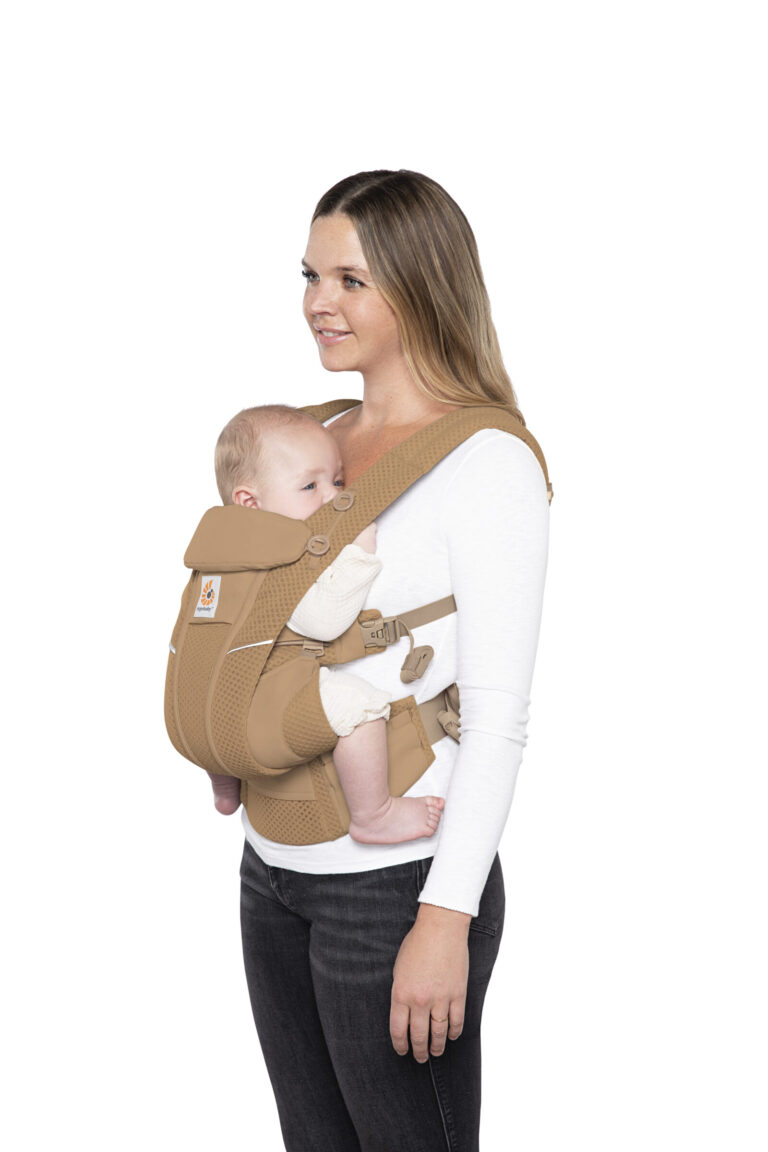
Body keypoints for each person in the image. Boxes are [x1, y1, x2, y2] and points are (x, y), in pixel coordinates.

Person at [234, 170, 550, 1151]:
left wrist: (445, 917)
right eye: (310, 275)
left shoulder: (486, 462)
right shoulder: (310, 440)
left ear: (420, 284)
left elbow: (496, 715)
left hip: (397, 886)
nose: (318, 303)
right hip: (273, 868)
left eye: (351, 280)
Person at [206, 402, 445, 844]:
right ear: (250, 502)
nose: (333, 497)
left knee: (212, 701)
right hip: (262, 697)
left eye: (337, 481)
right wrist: (358, 554)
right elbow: (324, 621)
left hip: (212, 704)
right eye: (310, 486)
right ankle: (374, 814)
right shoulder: (274, 551)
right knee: (361, 705)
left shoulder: (217, 546)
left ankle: (225, 784)